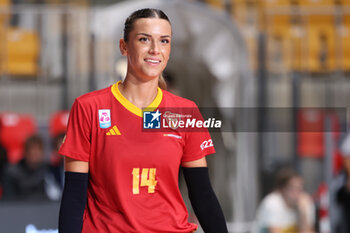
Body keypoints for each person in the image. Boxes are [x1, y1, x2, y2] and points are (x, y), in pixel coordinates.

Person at [58, 8, 228, 233]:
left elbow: (202, 195)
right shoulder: (89, 107)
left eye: (164, 41)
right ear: (124, 46)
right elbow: (73, 196)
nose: (155, 49)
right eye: (144, 39)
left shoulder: (185, 112)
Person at [255, 168, 315, 233]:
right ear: (282, 189)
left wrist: (303, 214)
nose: (297, 193)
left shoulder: (305, 203)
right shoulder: (272, 203)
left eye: (299, 188)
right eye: (292, 188)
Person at [4, 134, 48, 201]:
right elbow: (9, 199)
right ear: (25, 152)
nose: (35, 153)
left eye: (38, 150)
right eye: (32, 149)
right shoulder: (12, 172)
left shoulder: (47, 170)